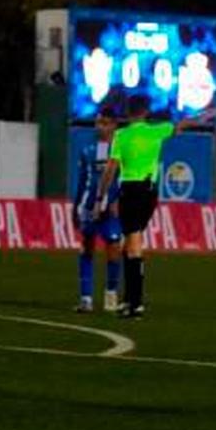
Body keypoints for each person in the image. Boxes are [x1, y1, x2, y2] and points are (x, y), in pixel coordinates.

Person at [97, 95, 216, 319]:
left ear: (128, 112)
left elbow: (111, 169)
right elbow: (183, 123)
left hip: (131, 191)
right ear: (146, 112)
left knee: (133, 245)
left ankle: (136, 304)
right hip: (150, 193)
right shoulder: (157, 131)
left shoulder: (121, 136)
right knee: (129, 244)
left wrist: (100, 196)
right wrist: (206, 115)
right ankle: (128, 299)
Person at [72, 111, 123, 313]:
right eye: (98, 122)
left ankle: (111, 295)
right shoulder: (88, 150)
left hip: (111, 208)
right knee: (86, 248)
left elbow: (125, 180)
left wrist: (118, 200)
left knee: (113, 249)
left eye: (104, 123)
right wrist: (75, 207)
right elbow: (83, 181)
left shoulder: (119, 151)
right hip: (88, 206)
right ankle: (86, 298)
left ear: (113, 126)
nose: (100, 126)